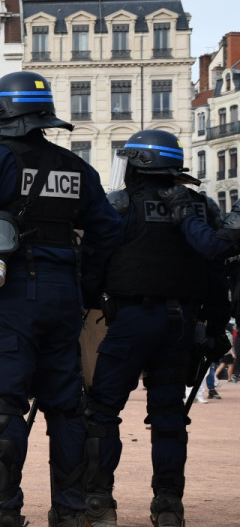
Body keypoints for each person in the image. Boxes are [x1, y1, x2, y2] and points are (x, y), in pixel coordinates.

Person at [0, 71, 124, 527]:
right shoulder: (76, 167)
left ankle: (2, 515)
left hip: (11, 292)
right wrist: (85, 285)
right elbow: (107, 231)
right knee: (67, 408)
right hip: (64, 297)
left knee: (2, 406)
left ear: (0, 114)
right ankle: (70, 511)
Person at [82, 130, 231, 527]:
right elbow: (218, 274)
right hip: (181, 322)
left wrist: (88, 304)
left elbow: (93, 265)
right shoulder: (199, 208)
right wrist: (217, 329)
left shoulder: (119, 205)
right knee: (168, 416)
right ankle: (168, 505)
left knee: (102, 411)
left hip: (131, 320)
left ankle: (98, 503)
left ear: (138, 165)